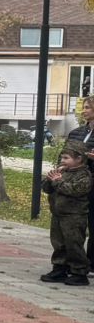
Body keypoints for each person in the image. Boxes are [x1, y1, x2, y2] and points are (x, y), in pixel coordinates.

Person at [41, 142, 91, 286]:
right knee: (58, 243)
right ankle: (59, 268)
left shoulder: (84, 175)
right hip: (58, 214)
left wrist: (58, 181)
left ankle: (79, 272)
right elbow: (47, 189)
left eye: (66, 158)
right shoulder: (63, 172)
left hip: (74, 216)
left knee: (73, 244)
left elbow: (74, 190)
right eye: (62, 157)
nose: (62, 161)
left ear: (79, 159)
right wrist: (50, 180)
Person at [62, 97, 94, 266]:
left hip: (91, 181)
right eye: (84, 107)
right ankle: (72, 260)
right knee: (74, 225)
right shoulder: (77, 132)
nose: (84, 110)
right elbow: (67, 153)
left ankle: (90, 262)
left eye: (88, 107)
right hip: (75, 181)